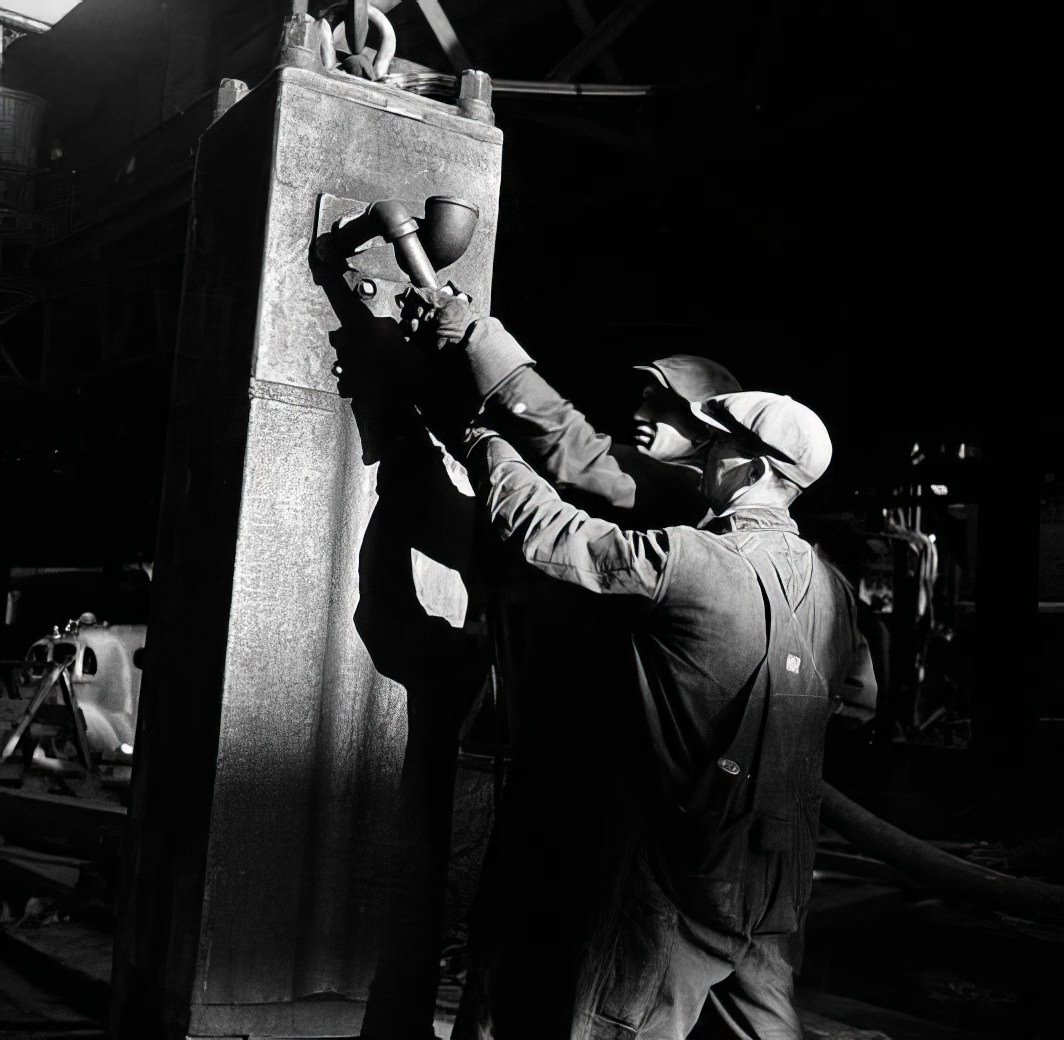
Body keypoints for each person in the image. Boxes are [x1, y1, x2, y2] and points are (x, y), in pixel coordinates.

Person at [410, 300, 876, 1038]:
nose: (699, 451)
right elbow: (857, 702)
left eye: (713, 442)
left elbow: (549, 527)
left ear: (750, 467)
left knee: (621, 1022)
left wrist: (480, 438)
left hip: (678, 864)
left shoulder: (691, 555)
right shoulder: (833, 586)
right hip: (776, 872)